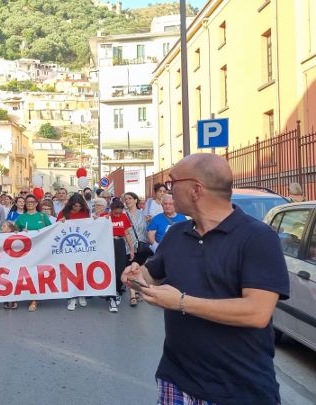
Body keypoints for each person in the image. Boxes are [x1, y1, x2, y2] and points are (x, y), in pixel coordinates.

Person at [121, 153, 289, 404]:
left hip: (238, 390)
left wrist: (181, 302)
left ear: (196, 189)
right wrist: (138, 275)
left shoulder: (258, 238)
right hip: (176, 381)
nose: (167, 191)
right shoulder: (177, 233)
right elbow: (153, 273)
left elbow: (257, 312)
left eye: (173, 182)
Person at [14, 194, 51, 312]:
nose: (29, 203)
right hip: (26, 251)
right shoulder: (21, 218)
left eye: (32, 201)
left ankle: (34, 299)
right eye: (27, 201)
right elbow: (13, 232)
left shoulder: (43, 216)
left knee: (37, 273)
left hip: (41, 251)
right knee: (28, 273)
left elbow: (52, 230)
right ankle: (30, 297)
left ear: (36, 203)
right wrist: (21, 232)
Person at [58, 193, 92, 310]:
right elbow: (55, 229)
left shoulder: (85, 213)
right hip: (68, 247)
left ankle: (81, 294)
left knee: (82, 270)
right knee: (70, 271)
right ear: (71, 204)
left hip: (82, 246)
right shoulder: (63, 213)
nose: (77, 208)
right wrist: (60, 223)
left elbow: (91, 227)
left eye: (79, 206)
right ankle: (72, 297)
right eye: (75, 206)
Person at [101, 198, 134, 313]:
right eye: (116, 212)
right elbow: (93, 225)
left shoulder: (124, 217)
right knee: (109, 268)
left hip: (120, 242)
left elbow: (127, 233)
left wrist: (131, 249)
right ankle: (111, 293)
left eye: (120, 212)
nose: (118, 214)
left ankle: (118, 290)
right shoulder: (105, 216)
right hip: (107, 243)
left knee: (120, 268)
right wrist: (96, 219)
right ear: (111, 209)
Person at [122, 192, 151, 307]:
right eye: (125, 199)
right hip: (128, 246)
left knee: (137, 269)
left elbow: (148, 229)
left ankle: (137, 289)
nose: (127, 201)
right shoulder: (123, 214)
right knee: (129, 269)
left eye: (129, 198)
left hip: (142, 246)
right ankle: (132, 295)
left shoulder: (143, 214)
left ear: (135, 200)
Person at [0, 220, 19, 309]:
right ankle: (6, 300)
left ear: (10, 229)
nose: (1, 228)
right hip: (2, 262)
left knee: (14, 279)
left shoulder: (15, 235)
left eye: (4, 226)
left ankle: (14, 300)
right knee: (4, 280)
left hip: (13, 261)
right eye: (1, 226)